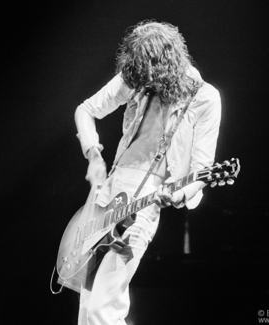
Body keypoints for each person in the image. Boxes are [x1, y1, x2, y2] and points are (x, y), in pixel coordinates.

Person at [74, 20, 221, 325]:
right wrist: (93, 154)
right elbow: (85, 110)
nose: (144, 81)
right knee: (88, 308)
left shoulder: (204, 97)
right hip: (107, 190)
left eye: (149, 73)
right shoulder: (139, 77)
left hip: (145, 200)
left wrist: (179, 192)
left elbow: (202, 169)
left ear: (166, 62)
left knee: (105, 307)